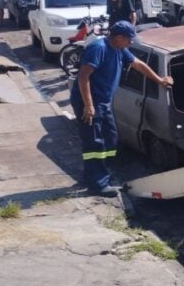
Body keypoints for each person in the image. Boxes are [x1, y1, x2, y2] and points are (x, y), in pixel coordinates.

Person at [70, 21, 173, 196]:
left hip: (103, 102)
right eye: (129, 39)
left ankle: (97, 174)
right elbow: (83, 77)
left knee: (110, 139)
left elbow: (138, 64)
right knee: (95, 143)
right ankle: (97, 184)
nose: (131, 43)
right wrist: (88, 106)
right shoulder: (98, 48)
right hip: (89, 103)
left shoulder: (119, 48)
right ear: (118, 37)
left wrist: (159, 80)